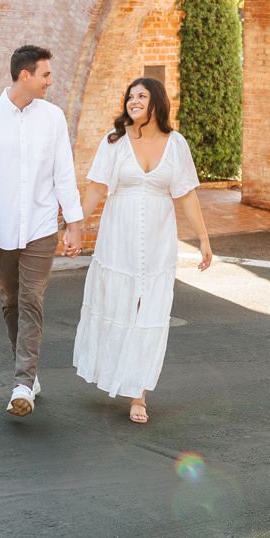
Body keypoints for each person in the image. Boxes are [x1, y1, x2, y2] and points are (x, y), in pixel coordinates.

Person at [71, 76, 214, 424]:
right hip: (117, 239)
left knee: (148, 313)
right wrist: (73, 225)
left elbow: (186, 194)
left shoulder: (175, 144)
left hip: (158, 242)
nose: (134, 100)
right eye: (130, 96)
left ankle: (139, 394)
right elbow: (95, 189)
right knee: (117, 305)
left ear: (156, 103)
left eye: (142, 95)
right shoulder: (114, 141)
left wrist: (204, 239)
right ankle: (114, 372)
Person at [0, 44, 85, 418]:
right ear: (24, 76)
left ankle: (23, 384)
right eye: (45, 74)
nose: (50, 81)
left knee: (31, 301)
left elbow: (63, 173)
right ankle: (26, 373)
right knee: (10, 301)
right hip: (0, 228)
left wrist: (72, 224)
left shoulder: (54, 118)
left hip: (42, 226)